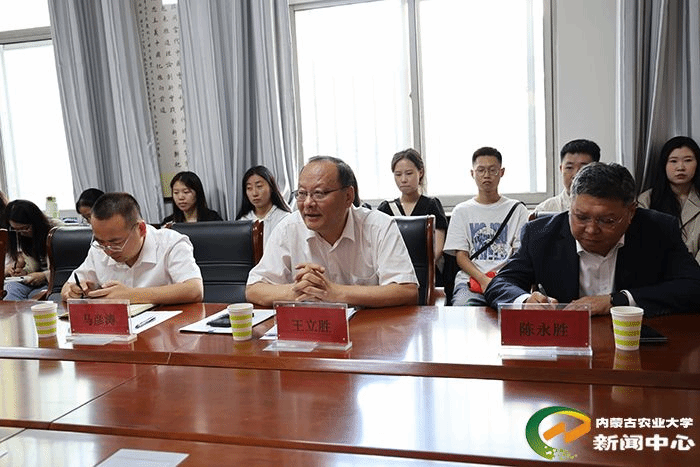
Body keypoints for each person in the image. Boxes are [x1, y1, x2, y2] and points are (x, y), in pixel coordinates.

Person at [484, 162, 700, 317]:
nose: (591, 229)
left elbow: (693, 286)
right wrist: (525, 301)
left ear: (631, 212)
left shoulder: (658, 229)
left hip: (635, 342)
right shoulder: (540, 234)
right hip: (568, 343)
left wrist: (617, 301)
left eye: (607, 220)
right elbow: (500, 284)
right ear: (570, 206)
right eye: (581, 217)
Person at [245, 156, 418, 308]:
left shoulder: (379, 226)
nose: (308, 203)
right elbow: (253, 289)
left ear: (348, 196)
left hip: (368, 329)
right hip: (310, 329)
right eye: (302, 193)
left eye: (319, 193)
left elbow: (407, 291)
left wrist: (336, 292)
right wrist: (300, 290)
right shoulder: (288, 228)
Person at [61, 192, 203, 304]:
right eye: (100, 241)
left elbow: (194, 289)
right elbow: (67, 288)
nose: (108, 250)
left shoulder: (170, 242)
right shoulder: (99, 248)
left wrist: (129, 295)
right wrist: (75, 292)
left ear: (141, 229)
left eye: (116, 243)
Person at [443, 147, 529, 306]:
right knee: (463, 310)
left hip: (507, 281)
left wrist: (498, 281)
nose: (486, 175)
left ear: (501, 172)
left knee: (520, 312)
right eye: (481, 170)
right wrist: (483, 280)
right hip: (470, 281)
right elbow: (461, 256)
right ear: (472, 173)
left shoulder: (517, 210)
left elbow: (519, 254)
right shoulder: (461, 211)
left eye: (492, 170)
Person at [377, 149, 448, 265]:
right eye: (398, 174)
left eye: (409, 173)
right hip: (394, 269)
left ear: (420, 172)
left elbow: (438, 249)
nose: (403, 180)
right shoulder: (386, 208)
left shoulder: (432, 205)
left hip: (426, 269)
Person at [638, 136, 700, 263]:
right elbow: (641, 242)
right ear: (664, 165)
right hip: (657, 269)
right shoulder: (647, 200)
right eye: (673, 161)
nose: (680, 167)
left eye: (688, 160)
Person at [3, 200, 60, 300]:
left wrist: (43, 275)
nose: (21, 233)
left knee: (36, 296)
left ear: (36, 222)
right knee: (10, 289)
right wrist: (22, 272)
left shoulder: (57, 233)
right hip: (32, 280)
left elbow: (65, 269)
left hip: (52, 280)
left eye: (25, 228)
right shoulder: (19, 236)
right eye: (15, 229)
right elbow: (31, 265)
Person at [532, 139, 601, 217]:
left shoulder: (607, 206)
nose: (576, 175)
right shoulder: (545, 210)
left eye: (583, 168)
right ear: (561, 169)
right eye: (569, 168)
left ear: (596, 170)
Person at [235, 166, 291, 246]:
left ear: (271, 187)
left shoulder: (284, 219)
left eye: (259, 186)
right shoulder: (242, 222)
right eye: (249, 188)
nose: (254, 193)